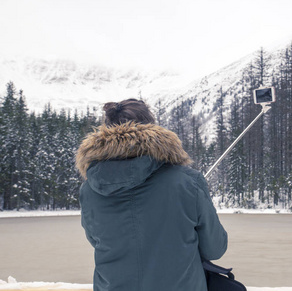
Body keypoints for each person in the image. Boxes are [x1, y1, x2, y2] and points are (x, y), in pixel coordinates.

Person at [75, 98, 228, 291]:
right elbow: (215, 248)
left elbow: (96, 240)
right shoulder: (187, 181)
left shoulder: (89, 190)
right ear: (152, 128)